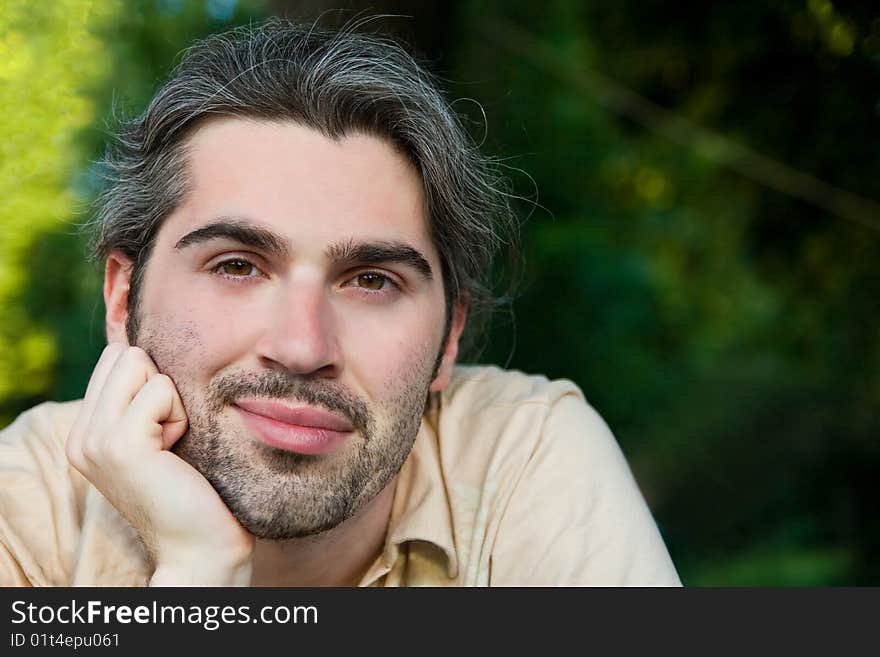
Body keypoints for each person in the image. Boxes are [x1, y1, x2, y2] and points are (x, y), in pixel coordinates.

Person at [0, 19, 679, 587]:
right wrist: (197, 572)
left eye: (372, 280)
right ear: (122, 297)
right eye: (237, 265)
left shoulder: (523, 455)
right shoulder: (28, 505)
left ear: (449, 339)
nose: (302, 347)